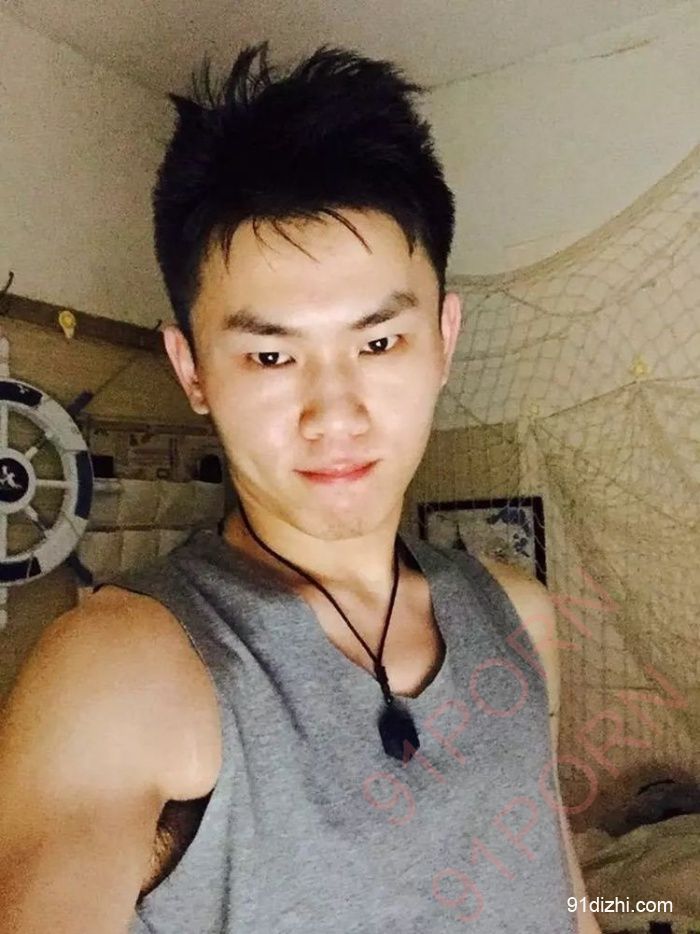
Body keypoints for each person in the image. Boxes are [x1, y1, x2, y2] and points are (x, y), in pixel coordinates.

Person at [0, 42, 599, 933]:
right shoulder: (121, 675)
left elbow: (560, 896)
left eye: (379, 342)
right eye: (271, 356)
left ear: (444, 339)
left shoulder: (521, 617)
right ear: (192, 369)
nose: (334, 414)